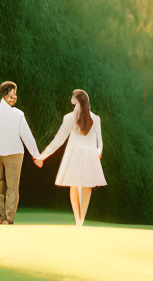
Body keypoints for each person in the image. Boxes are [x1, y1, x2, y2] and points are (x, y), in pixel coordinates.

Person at [39, 89, 105, 226]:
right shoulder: (95, 118)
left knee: (75, 186)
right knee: (87, 187)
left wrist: (43, 155)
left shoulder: (70, 118)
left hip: (75, 154)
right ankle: (80, 221)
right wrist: (98, 151)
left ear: (76, 102)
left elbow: (59, 140)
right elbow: (100, 142)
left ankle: (78, 220)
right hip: (90, 155)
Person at [0, 81, 42, 224]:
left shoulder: (18, 114)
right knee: (2, 186)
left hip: (12, 154)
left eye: (15, 94)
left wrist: (36, 155)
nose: (14, 97)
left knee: (5, 186)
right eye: (11, 94)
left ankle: (7, 217)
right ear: (4, 94)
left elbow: (27, 136)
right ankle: (4, 217)